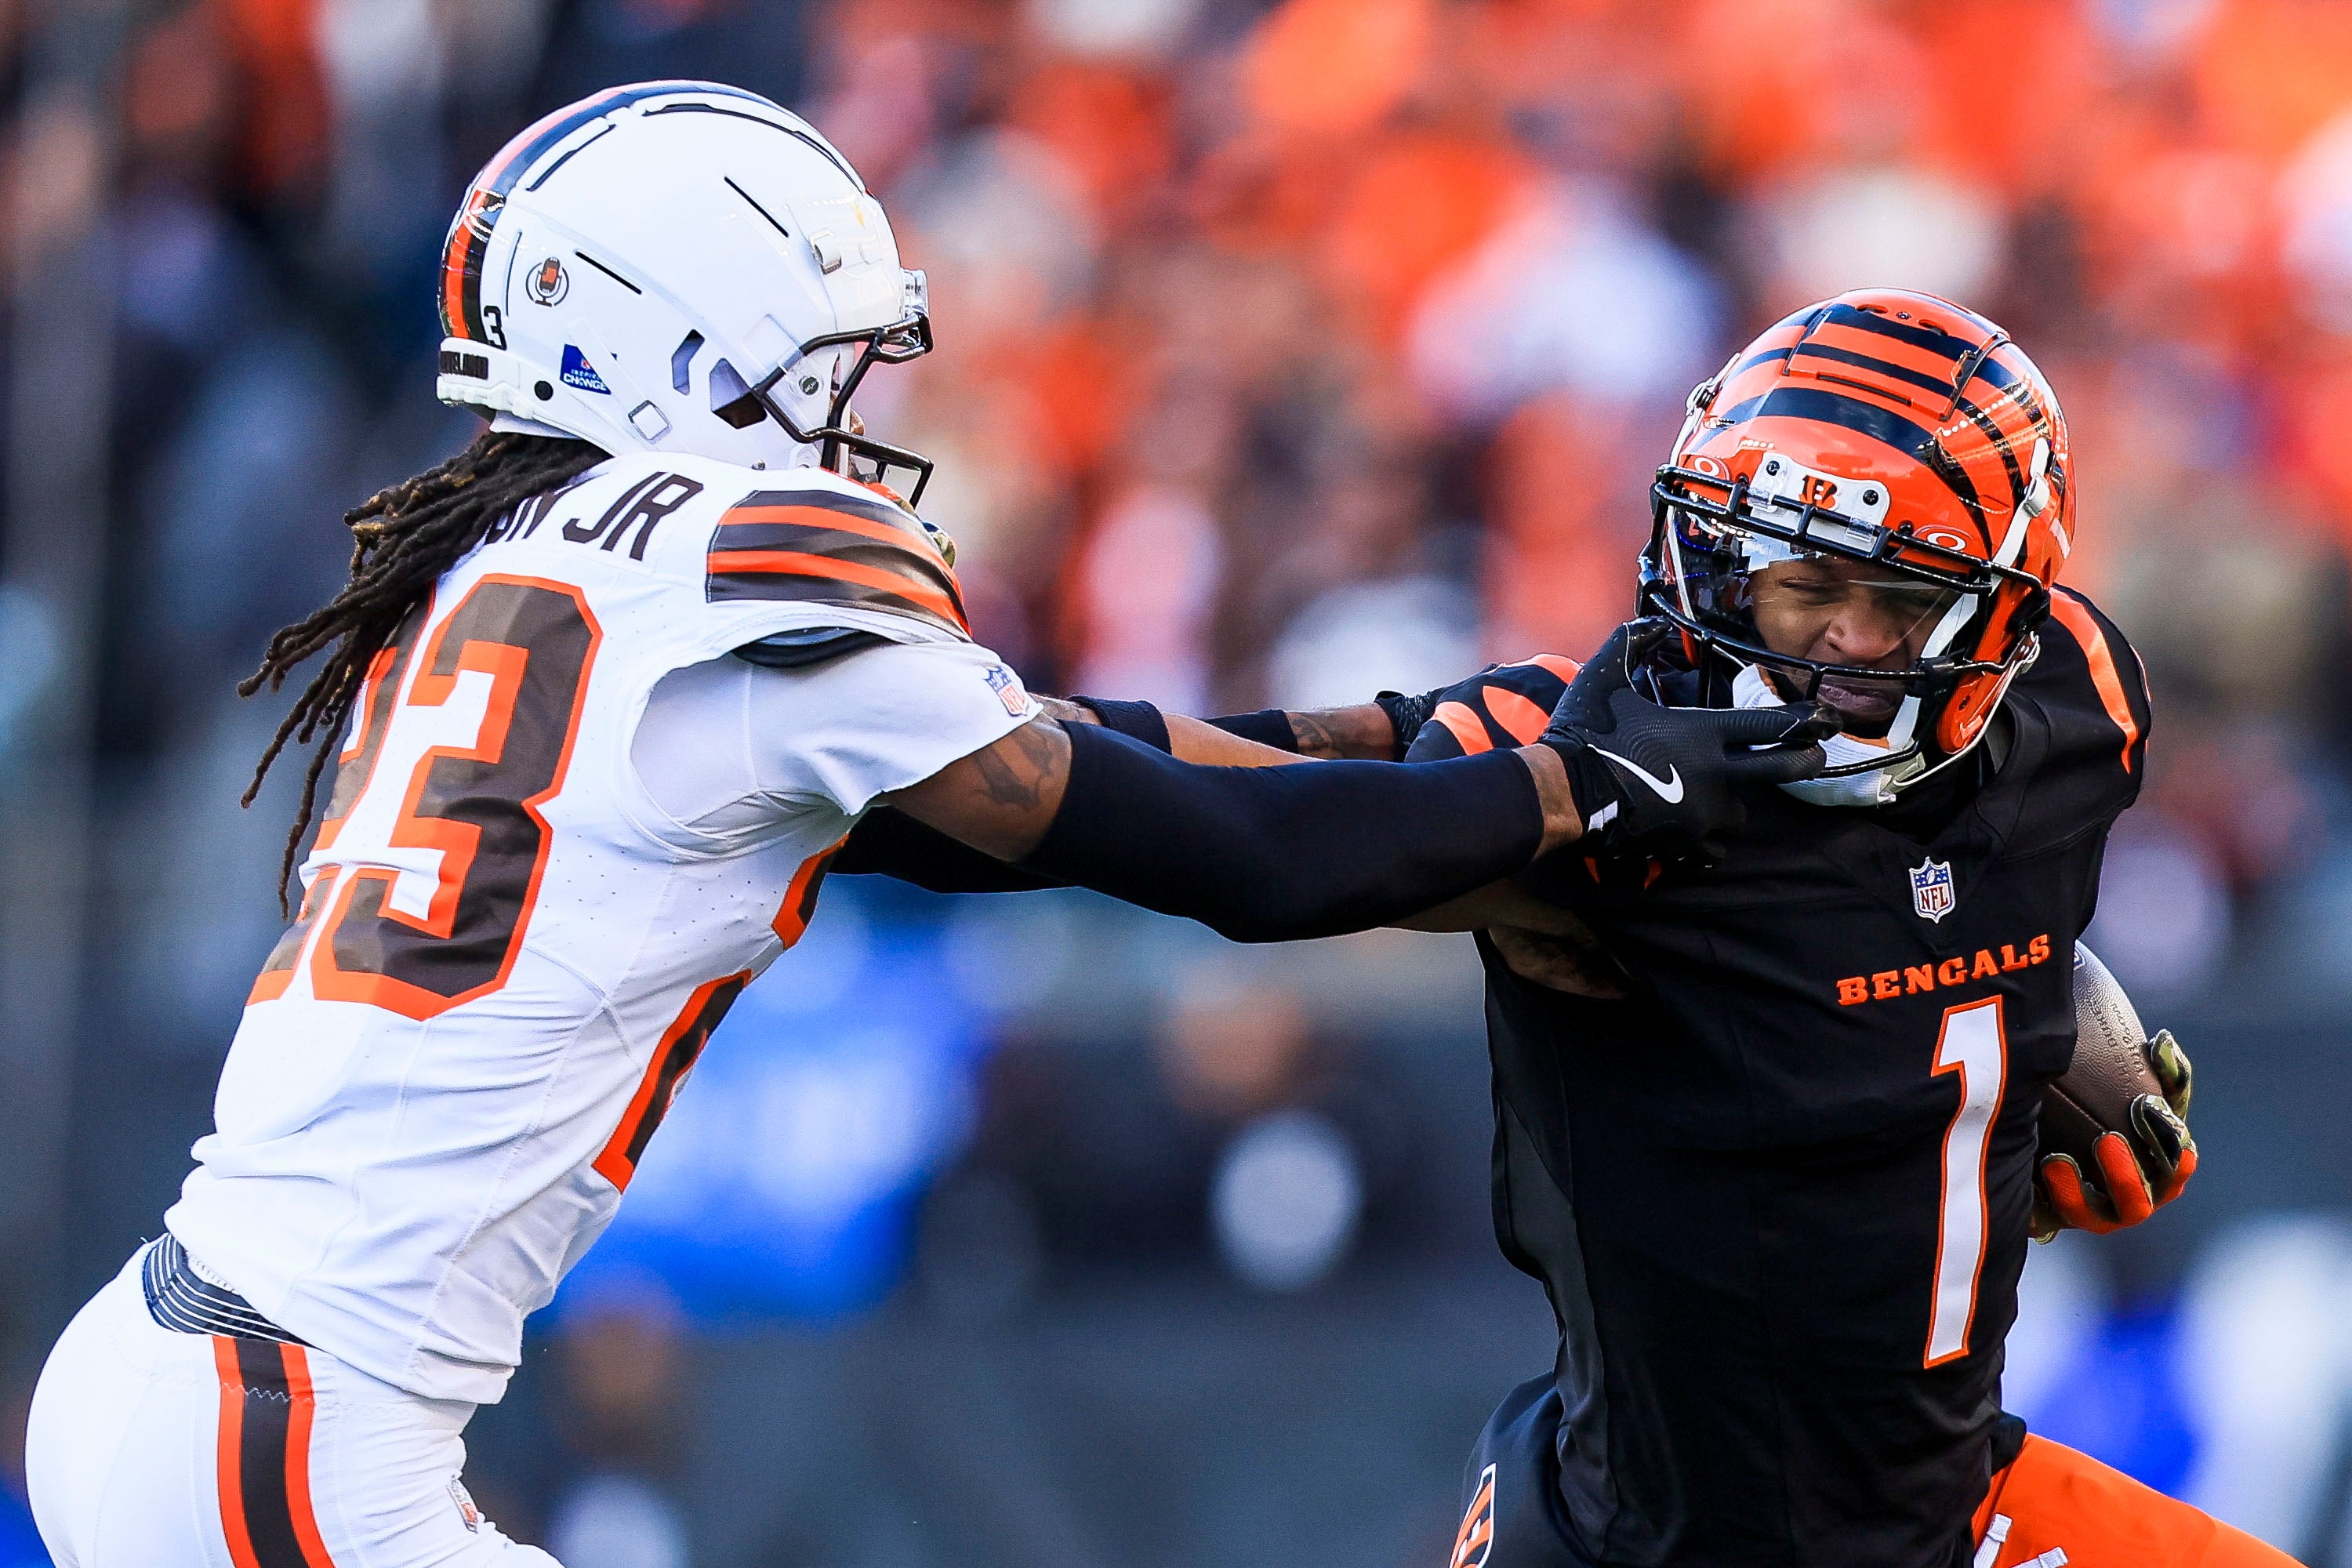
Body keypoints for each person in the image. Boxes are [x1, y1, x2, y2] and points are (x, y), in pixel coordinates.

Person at [21, 83, 1831, 1568]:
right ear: (698, 348)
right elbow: (1215, 855)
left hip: (195, 1376)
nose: (847, 420)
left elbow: (1063, 768)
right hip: (293, 1427)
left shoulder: (521, 571)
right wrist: (1583, 790)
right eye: (822, 367)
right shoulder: (740, 566)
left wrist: (1400, 738)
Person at [912, 291, 2275, 1566]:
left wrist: (2035, 1051)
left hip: (1944, 1504)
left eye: (1904, 603)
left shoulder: (2076, 705)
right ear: (1719, 564)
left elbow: (1917, 900)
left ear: (2003, 614)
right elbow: (1236, 808)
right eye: (1806, 586)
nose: (1845, 646)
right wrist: (876, 749)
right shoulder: (1607, 775)